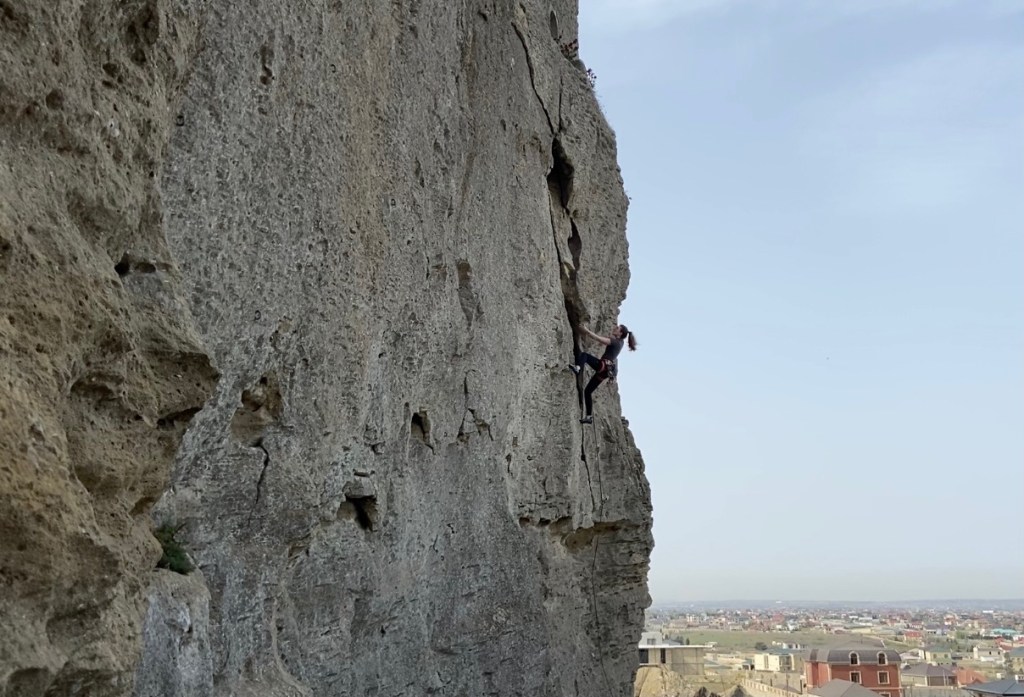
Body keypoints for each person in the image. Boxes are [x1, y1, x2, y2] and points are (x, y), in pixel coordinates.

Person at [568, 323, 637, 424]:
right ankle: (589, 416)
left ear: (620, 333)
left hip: (603, 366)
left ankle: (577, 368)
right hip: (605, 371)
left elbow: (599, 339)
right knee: (587, 391)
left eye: (618, 328)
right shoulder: (621, 343)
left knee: (584, 355)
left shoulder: (615, 342)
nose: (615, 328)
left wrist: (586, 331)